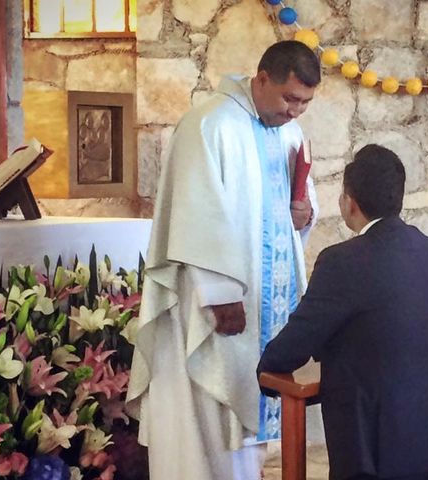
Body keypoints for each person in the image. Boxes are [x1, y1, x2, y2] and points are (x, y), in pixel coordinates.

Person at [125, 40, 321, 480]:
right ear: (262, 78)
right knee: (207, 420)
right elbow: (198, 218)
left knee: (246, 432)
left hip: (265, 303)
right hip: (214, 302)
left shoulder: (289, 132)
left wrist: (303, 214)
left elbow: (295, 210)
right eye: (290, 98)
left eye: (305, 103)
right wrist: (220, 294)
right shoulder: (209, 125)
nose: (295, 112)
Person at [258, 144, 428, 480]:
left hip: (375, 447)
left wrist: (267, 372)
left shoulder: (343, 260)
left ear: (348, 202)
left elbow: (301, 336)